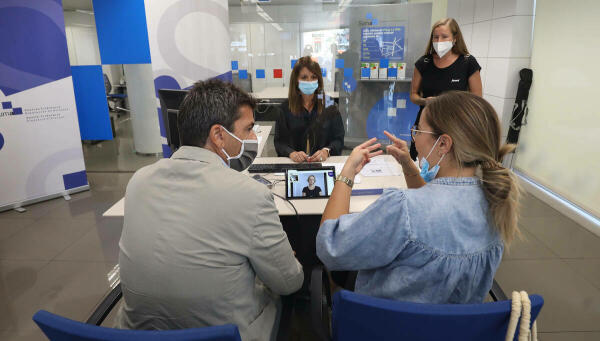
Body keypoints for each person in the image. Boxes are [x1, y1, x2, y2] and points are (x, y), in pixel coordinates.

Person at [116, 79, 303, 341]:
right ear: (218, 135)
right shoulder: (250, 195)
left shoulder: (138, 181)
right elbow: (288, 282)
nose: (254, 139)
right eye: (249, 129)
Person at [316, 91, 520, 304]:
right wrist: (408, 164)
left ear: (443, 144)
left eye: (418, 130)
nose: (414, 138)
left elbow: (330, 246)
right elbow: (431, 204)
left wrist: (347, 172)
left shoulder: (402, 207)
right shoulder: (497, 202)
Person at [409, 18, 483, 159]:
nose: (439, 41)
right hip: (427, 124)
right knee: (421, 164)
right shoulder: (424, 63)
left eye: (444, 37)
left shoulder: (467, 63)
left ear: (455, 38)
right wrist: (425, 101)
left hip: (455, 126)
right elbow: (413, 95)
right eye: (435, 37)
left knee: (450, 164)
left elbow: (477, 100)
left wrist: (453, 105)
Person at [275, 56, 345, 163]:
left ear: (318, 80)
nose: (309, 81)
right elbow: (279, 143)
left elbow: (338, 140)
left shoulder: (330, 106)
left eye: (313, 77)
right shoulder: (285, 109)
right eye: (304, 77)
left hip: (323, 164)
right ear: (296, 81)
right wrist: (291, 153)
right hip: (295, 165)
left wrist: (326, 151)